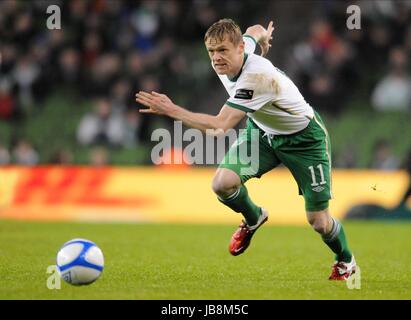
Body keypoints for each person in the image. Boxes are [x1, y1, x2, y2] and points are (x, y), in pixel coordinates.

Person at [136, 19, 356, 280]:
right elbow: (254, 30)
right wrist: (263, 37)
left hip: (305, 140)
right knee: (222, 183)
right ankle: (254, 218)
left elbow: (220, 126)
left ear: (239, 49)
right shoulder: (240, 50)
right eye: (211, 51)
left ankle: (346, 260)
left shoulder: (257, 77)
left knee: (319, 222)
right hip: (263, 132)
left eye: (222, 51)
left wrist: (170, 109)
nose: (217, 58)